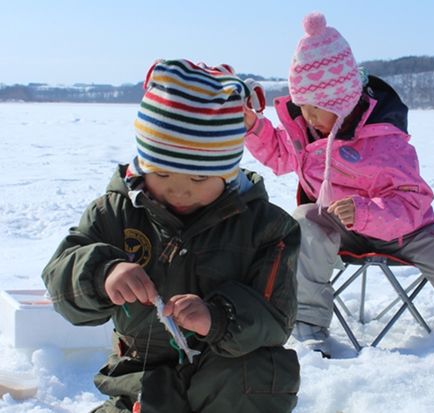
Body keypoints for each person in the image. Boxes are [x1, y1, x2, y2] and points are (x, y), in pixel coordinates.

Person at [243, 12, 434, 357]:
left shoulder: (386, 140)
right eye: (301, 107)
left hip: (408, 230)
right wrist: (253, 126)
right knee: (302, 223)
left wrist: (366, 212)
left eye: (313, 109)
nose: (305, 118)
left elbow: (411, 204)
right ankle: (307, 326)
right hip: (339, 227)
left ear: (340, 103)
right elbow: (280, 154)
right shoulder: (306, 134)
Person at [42, 58, 301, 413]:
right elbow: (60, 281)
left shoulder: (267, 228)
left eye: (197, 180)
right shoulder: (115, 212)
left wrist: (218, 317)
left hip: (234, 381)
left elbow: (277, 317)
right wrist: (103, 274)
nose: (179, 192)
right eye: (162, 175)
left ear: (227, 174)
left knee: (250, 374)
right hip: (141, 376)